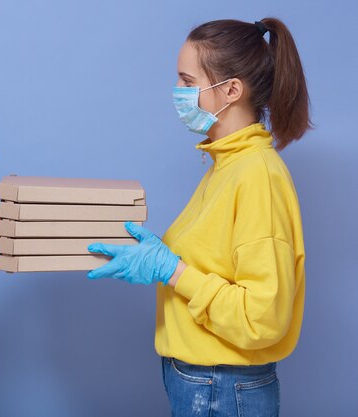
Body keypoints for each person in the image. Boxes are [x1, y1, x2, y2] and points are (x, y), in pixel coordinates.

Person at [87, 18, 308, 416]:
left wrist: (172, 270)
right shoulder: (226, 165)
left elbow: (263, 317)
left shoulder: (257, 175)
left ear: (231, 90)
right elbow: (214, 262)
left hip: (223, 387)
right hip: (205, 380)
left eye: (188, 83)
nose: (179, 93)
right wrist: (161, 258)